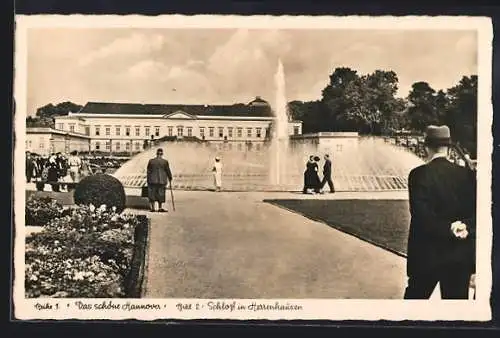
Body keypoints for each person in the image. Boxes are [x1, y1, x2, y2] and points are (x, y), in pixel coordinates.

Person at [404, 125, 476, 299]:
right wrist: (466, 227)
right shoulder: (467, 175)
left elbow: (421, 214)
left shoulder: (418, 174)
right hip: (458, 255)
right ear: (448, 147)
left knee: (411, 310)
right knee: (456, 315)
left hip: (426, 255)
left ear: (425, 146)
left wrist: (447, 228)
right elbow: (477, 211)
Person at [146, 148, 173, 212]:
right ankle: (160, 208)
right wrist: (170, 177)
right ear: (162, 154)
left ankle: (152, 208)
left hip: (152, 180)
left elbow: (148, 170)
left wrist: (148, 179)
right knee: (161, 194)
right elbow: (167, 170)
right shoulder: (165, 162)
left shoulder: (151, 161)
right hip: (162, 180)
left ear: (156, 153)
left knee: (152, 194)